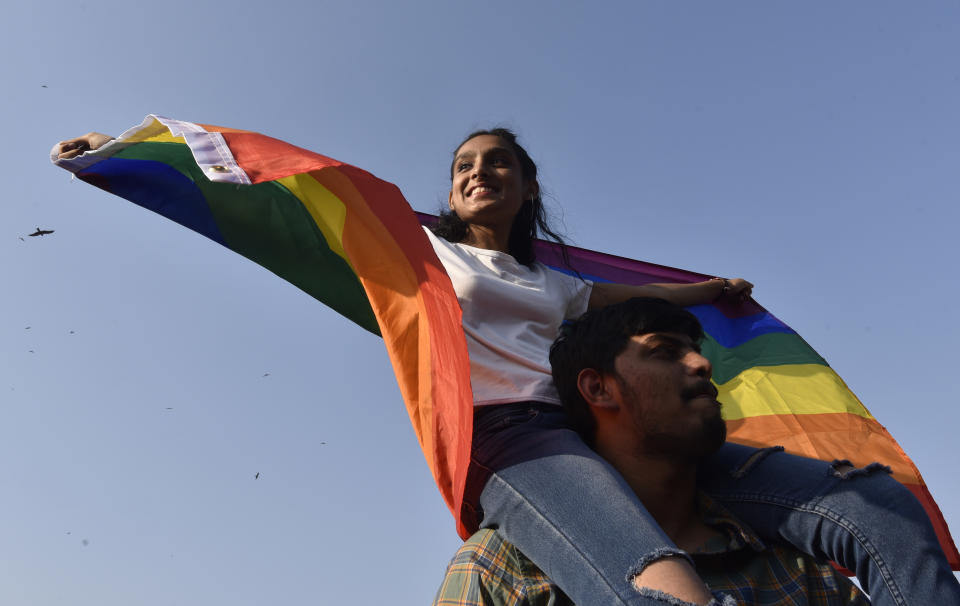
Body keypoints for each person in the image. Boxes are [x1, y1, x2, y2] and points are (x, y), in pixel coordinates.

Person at [56, 128, 959, 606]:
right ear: (450, 191)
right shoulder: (413, 254)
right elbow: (281, 203)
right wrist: (126, 159)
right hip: (519, 448)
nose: (478, 174)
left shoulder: (554, 283)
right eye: (464, 167)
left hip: (609, 425)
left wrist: (709, 286)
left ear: (526, 187)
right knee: (664, 589)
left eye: (498, 165)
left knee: (877, 512)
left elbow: (616, 308)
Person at [434, 297, 871, 605]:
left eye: (696, 352)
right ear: (598, 388)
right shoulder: (505, 570)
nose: (702, 365)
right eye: (665, 352)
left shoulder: (793, 569)